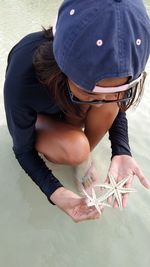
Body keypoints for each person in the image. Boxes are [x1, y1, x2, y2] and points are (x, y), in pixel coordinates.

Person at [4, 0, 150, 223]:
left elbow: (111, 101)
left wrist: (121, 149)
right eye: (90, 92)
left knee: (103, 111)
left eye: (118, 91)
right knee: (76, 149)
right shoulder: (23, 77)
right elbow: (22, 150)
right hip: (42, 117)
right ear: (62, 64)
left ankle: (83, 161)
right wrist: (56, 192)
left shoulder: (105, 91)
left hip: (71, 106)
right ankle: (79, 154)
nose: (101, 102)